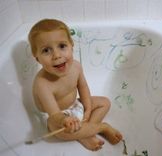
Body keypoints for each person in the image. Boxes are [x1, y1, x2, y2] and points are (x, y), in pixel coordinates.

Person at [28, 19, 123, 151]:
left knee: (104, 102)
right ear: (37, 57)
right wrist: (64, 121)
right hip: (59, 117)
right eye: (46, 50)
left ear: (71, 45)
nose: (56, 55)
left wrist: (88, 108)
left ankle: (84, 132)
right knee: (56, 129)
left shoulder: (76, 66)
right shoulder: (42, 83)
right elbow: (54, 115)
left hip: (75, 105)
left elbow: (83, 87)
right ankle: (101, 127)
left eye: (62, 46)